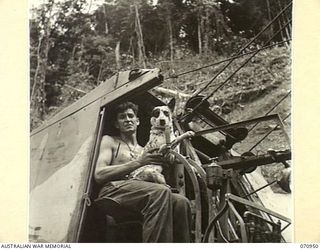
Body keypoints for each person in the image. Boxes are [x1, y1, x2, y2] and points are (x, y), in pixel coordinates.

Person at [94, 101, 192, 243]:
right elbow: (99, 174)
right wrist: (139, 162)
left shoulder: (144, 150)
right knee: (159, 192)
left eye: (130, 116)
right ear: (116, 124)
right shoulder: (110, 141)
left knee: (181, 202)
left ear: (138, 121)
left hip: (141, 194)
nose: (127, 119)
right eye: (122, 117)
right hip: (113, 190)